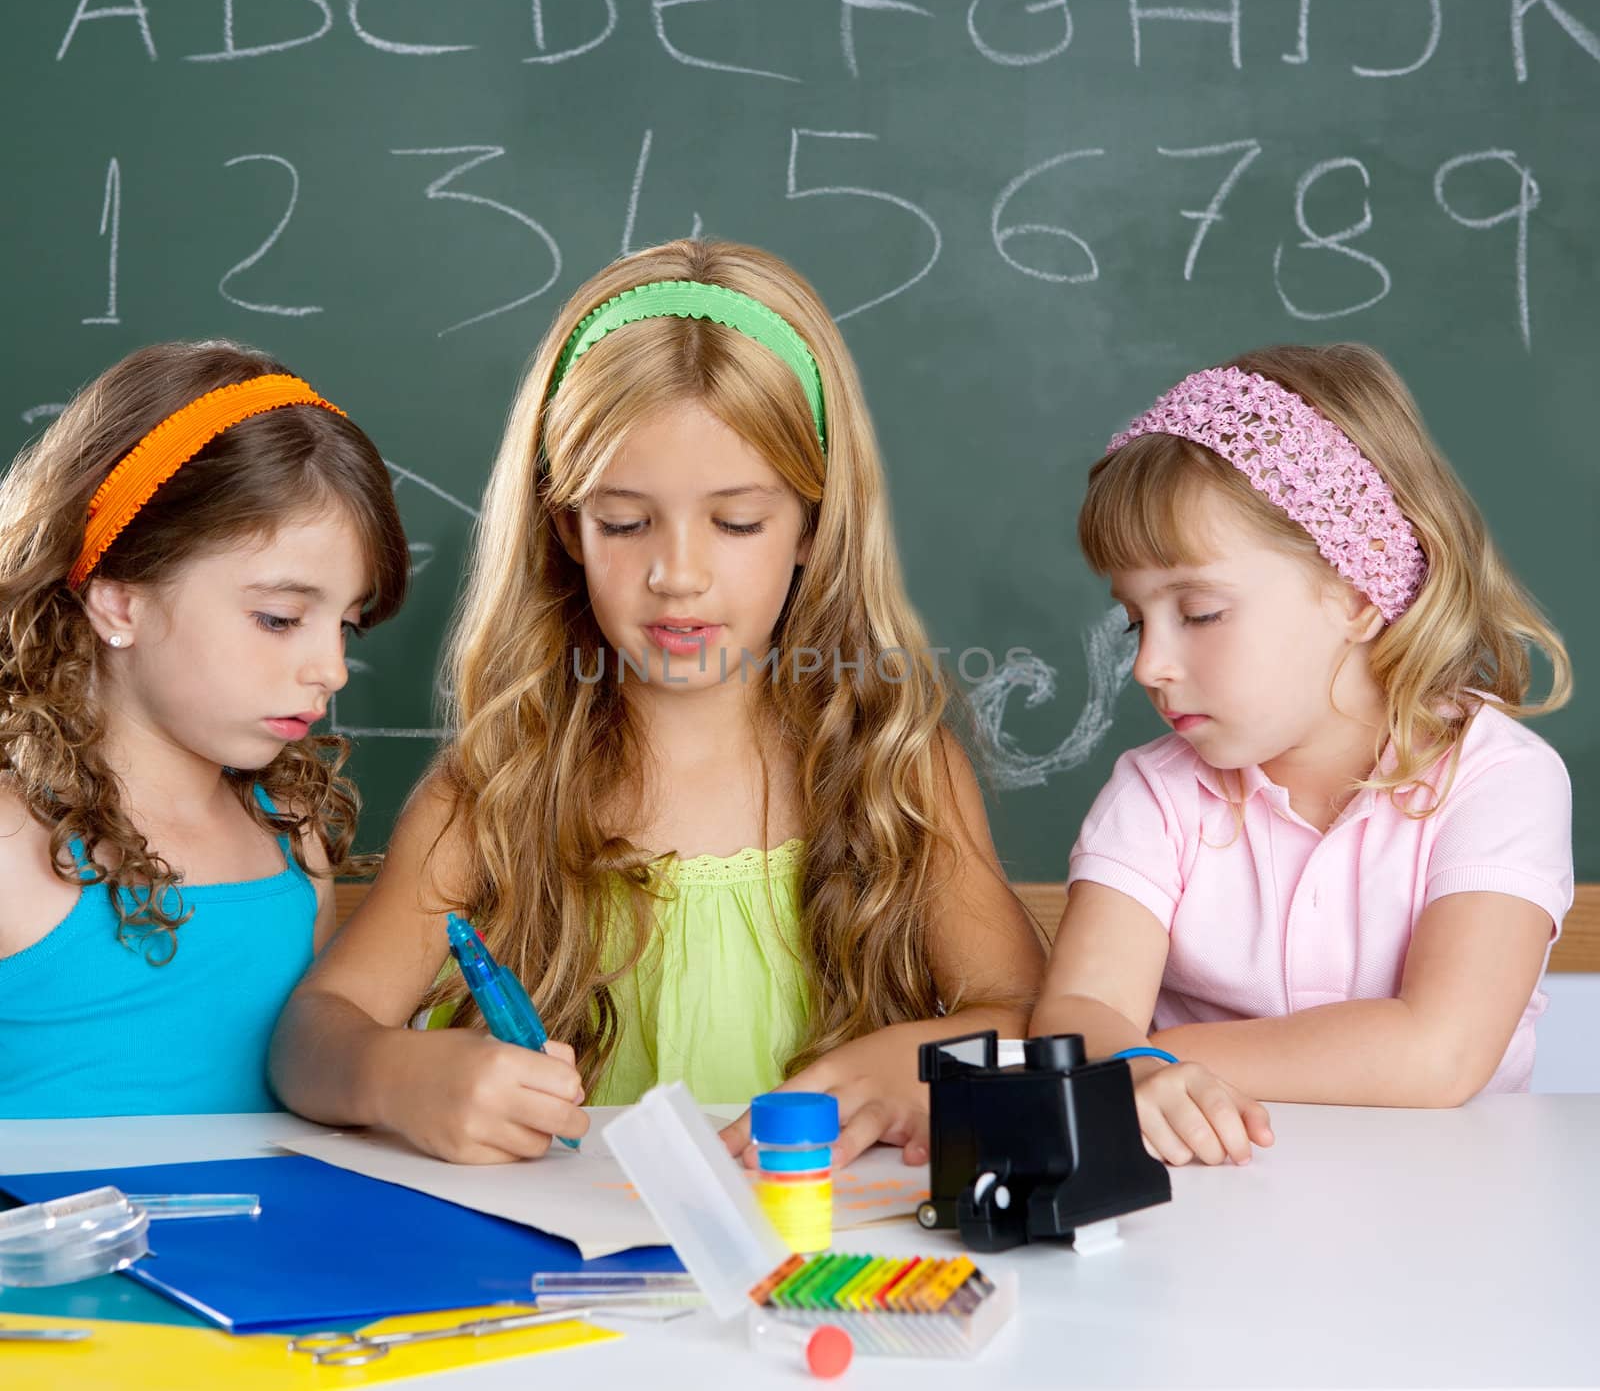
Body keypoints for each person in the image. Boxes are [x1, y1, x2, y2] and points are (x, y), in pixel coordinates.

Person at [270, 239, 1044, 1165]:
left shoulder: (894, 772)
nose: (677, 575)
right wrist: (394, 1078)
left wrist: (913, 1058)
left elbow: (1034, 1021)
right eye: (625, 522)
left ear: (813, 522)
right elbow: (312, 1035)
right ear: (565, 528)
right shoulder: (497, 790)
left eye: (738, 521)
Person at [1031, 346, 1573, 1166]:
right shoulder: (1155, 793)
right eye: (1138, 620)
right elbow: (1078, 1009)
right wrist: (1122, 1055)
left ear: (1358, 594)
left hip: (1449, 1217)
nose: (1148, 665)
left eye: (1202, 612)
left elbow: (1439, 1053)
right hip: (1215, 1206)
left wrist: (1147, 1059)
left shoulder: (1500, 780)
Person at [0, 340, 409, 1115]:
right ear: (121, 601)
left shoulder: (292, 840)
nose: (331, 668)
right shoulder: (9, 846)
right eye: (279, 618)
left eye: (346, 626)